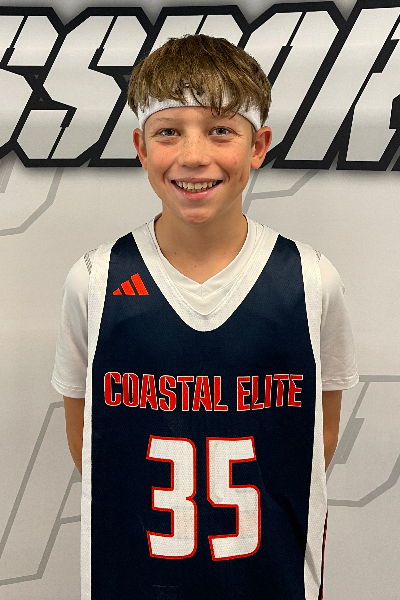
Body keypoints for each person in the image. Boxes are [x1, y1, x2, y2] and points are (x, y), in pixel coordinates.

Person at [52, 34, 358, 600]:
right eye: (169, 131)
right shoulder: (94, 278)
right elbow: (86, 440)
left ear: (258, 145)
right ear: (141, 146)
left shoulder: (311, 279)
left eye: (221, 130)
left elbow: (319, 438)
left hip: (269, 580)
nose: (193, 155)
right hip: (134, 579)